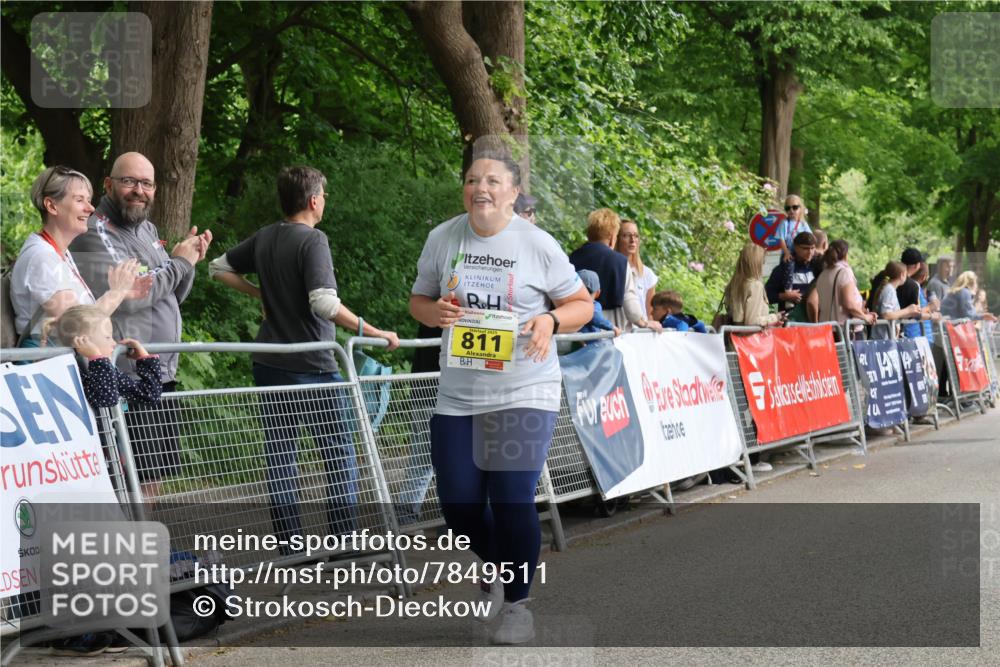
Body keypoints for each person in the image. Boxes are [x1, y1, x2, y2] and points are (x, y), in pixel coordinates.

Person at [409, 150, 592, 644]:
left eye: (492, 181)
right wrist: (436, 313)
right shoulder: (443, 238)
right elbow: (419, 301)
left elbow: (580, 303)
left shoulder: (537, 244)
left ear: (513, 193)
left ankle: (517, 606)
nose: (480, 188)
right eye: (472, 179)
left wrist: (550, 320)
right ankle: (499, 565)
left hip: (524, 388)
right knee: (459, 507)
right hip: (460, 395)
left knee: (511, 499)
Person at [210, 165, 400, 544]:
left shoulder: (265, 237)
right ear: (314, 200)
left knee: (281, 457)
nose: (324, 202)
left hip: (268, 362)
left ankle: (291, 547)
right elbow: (324, 302)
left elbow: (217, 268)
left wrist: (260, 293)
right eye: (324, 196)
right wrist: (373, 331)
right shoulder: (313, 241)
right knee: (339, 454)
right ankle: (344, 542)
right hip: (312, 364)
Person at [70, 152, 211, 498]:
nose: (138, 190)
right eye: (129, 181)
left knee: (152, 478)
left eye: (146, 183)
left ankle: (144, 550)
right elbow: (133, 296)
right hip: (124, 376)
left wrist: (187, 263)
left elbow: (171, 295)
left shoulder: (148, 230)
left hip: (159, 370)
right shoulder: (92, 232)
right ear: (108, 184)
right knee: (126, 482)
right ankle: (128, 550)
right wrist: (179, 262)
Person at [11, 166, 149, 346]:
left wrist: (120, 293)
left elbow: (82, 314)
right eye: (79, 200)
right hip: (50, 367)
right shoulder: (41, 257)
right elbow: (78, 326)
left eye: (89, 200)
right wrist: (117, 292)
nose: (90, 208)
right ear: (52, 206)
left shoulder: (59, 253)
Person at [42, 304, 162, 408]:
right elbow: (106, 399)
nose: (114, 343)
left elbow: (150, 394)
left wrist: (145, 359)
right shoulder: (70, 371)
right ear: (84, 340)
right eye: (107, 337)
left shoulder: (106, 369)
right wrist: (96, 357)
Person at [569, 209, 661, 332]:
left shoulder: (572, 258)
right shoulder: (620, 262)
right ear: (612, 236)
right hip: (611, 332)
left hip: (576, 330)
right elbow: (629, 301)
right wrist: (643, 323)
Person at [814, 240, 877, 328]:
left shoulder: (823, 274)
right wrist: (865, 317)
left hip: (827, 329)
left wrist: (862, 312)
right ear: (846, 255)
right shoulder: (844, 272)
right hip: (845, 330)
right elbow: (848, 304)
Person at [724, 242, 784, 328]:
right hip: (747, 338)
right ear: (757, 263)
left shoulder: (734, 284)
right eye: (762, 262)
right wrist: (774, 317)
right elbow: (752, 322)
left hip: (732, 335)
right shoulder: (755, 286)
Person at [765, 231, 816, 321]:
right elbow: (767, 295)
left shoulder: (817, 267)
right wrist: (785, 296)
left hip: (813, 320)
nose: (810, 252)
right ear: (795, 247)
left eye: (812, 248)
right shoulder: (782, 269)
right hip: (790, 321)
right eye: (805, 248)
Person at [614, 219, 658, 319]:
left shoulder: (647, 274)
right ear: (616, 239)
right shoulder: (611, 270)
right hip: (618, 330)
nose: (632, 240)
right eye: (626, 235)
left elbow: (650, 313)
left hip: (641, 331)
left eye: (636, 236)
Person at [870, 261, 923, 339]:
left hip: (887, 337)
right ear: (902, 275)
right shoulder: (889, 290)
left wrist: (911, 312)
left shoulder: (891, 289)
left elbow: (893, 313)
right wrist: (908, 310)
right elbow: (886, 315)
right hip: (883, 338)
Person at [577, 270, 619, 335]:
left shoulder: (569, 305)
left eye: (587, 293)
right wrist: (612, 327)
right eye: (581, 293)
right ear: (598, 293)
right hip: (591, 343)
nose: (583, 296)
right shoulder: (594, 306)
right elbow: (594, 316)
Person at [776, 195, 812, 262]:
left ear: (800, 208)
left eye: (795, 207)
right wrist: (786, 252)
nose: (791, 210)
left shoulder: (803, 224)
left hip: (801, 255)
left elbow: (810, 238)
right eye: (788, 208)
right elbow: (782, 240)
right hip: (788, 254)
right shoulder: (785, 223)